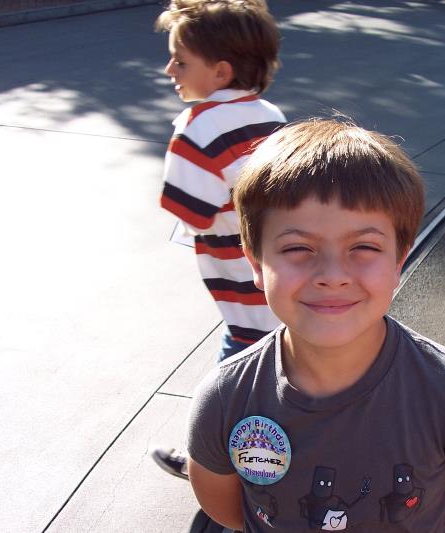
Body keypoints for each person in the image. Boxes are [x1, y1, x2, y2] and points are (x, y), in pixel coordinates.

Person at [186, 119, 445, 532]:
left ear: (398, 261)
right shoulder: (224, 400)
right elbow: (230, 510)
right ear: (256, 262)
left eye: (363, 246)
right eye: (298, 247)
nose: (332, 275)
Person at [152, 0, 286, 480]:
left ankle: (209, 465)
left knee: (233, 383)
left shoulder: (199, 127)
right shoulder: (269, 113)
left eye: (180, 61)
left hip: (244, 289)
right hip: (282, 275)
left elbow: (187, 210)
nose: (169, 70)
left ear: (221, 71)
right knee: (272, 370)